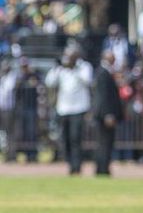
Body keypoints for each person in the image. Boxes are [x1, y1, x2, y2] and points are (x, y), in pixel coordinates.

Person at [45, 45, 93, 175]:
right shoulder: (61, 69)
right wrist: (58, 68)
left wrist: (74, 69)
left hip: (79, 108)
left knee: (75, 138)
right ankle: (70, 163)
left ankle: (77, 166)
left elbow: (87, 80)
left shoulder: (84, 67)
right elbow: (49, 82)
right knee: (65, 138)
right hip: (63, 109)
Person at [92, 51, 124, 176]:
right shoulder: (103, 73)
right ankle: (102, 168)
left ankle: (103, 167)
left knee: (104, 142)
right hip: (105, 114)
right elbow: (104, 96)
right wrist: (108, 114)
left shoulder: (104, 72)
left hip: (105, 113)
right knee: (105, 142)